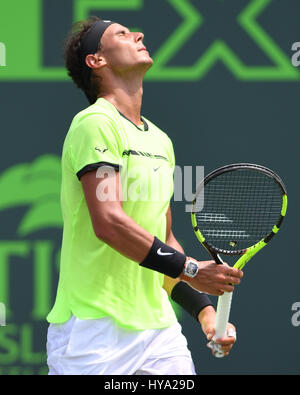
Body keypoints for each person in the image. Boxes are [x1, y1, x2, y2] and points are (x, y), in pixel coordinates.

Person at [46, 16, 243, 375]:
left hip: (158, 334)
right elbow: (109, 223)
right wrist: (193, 269)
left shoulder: (160, 141)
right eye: (122, 34)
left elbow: (163, 239)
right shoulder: (95, 124)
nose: (138, 34)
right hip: (94, 333)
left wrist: (206, 312)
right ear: (97, 60)